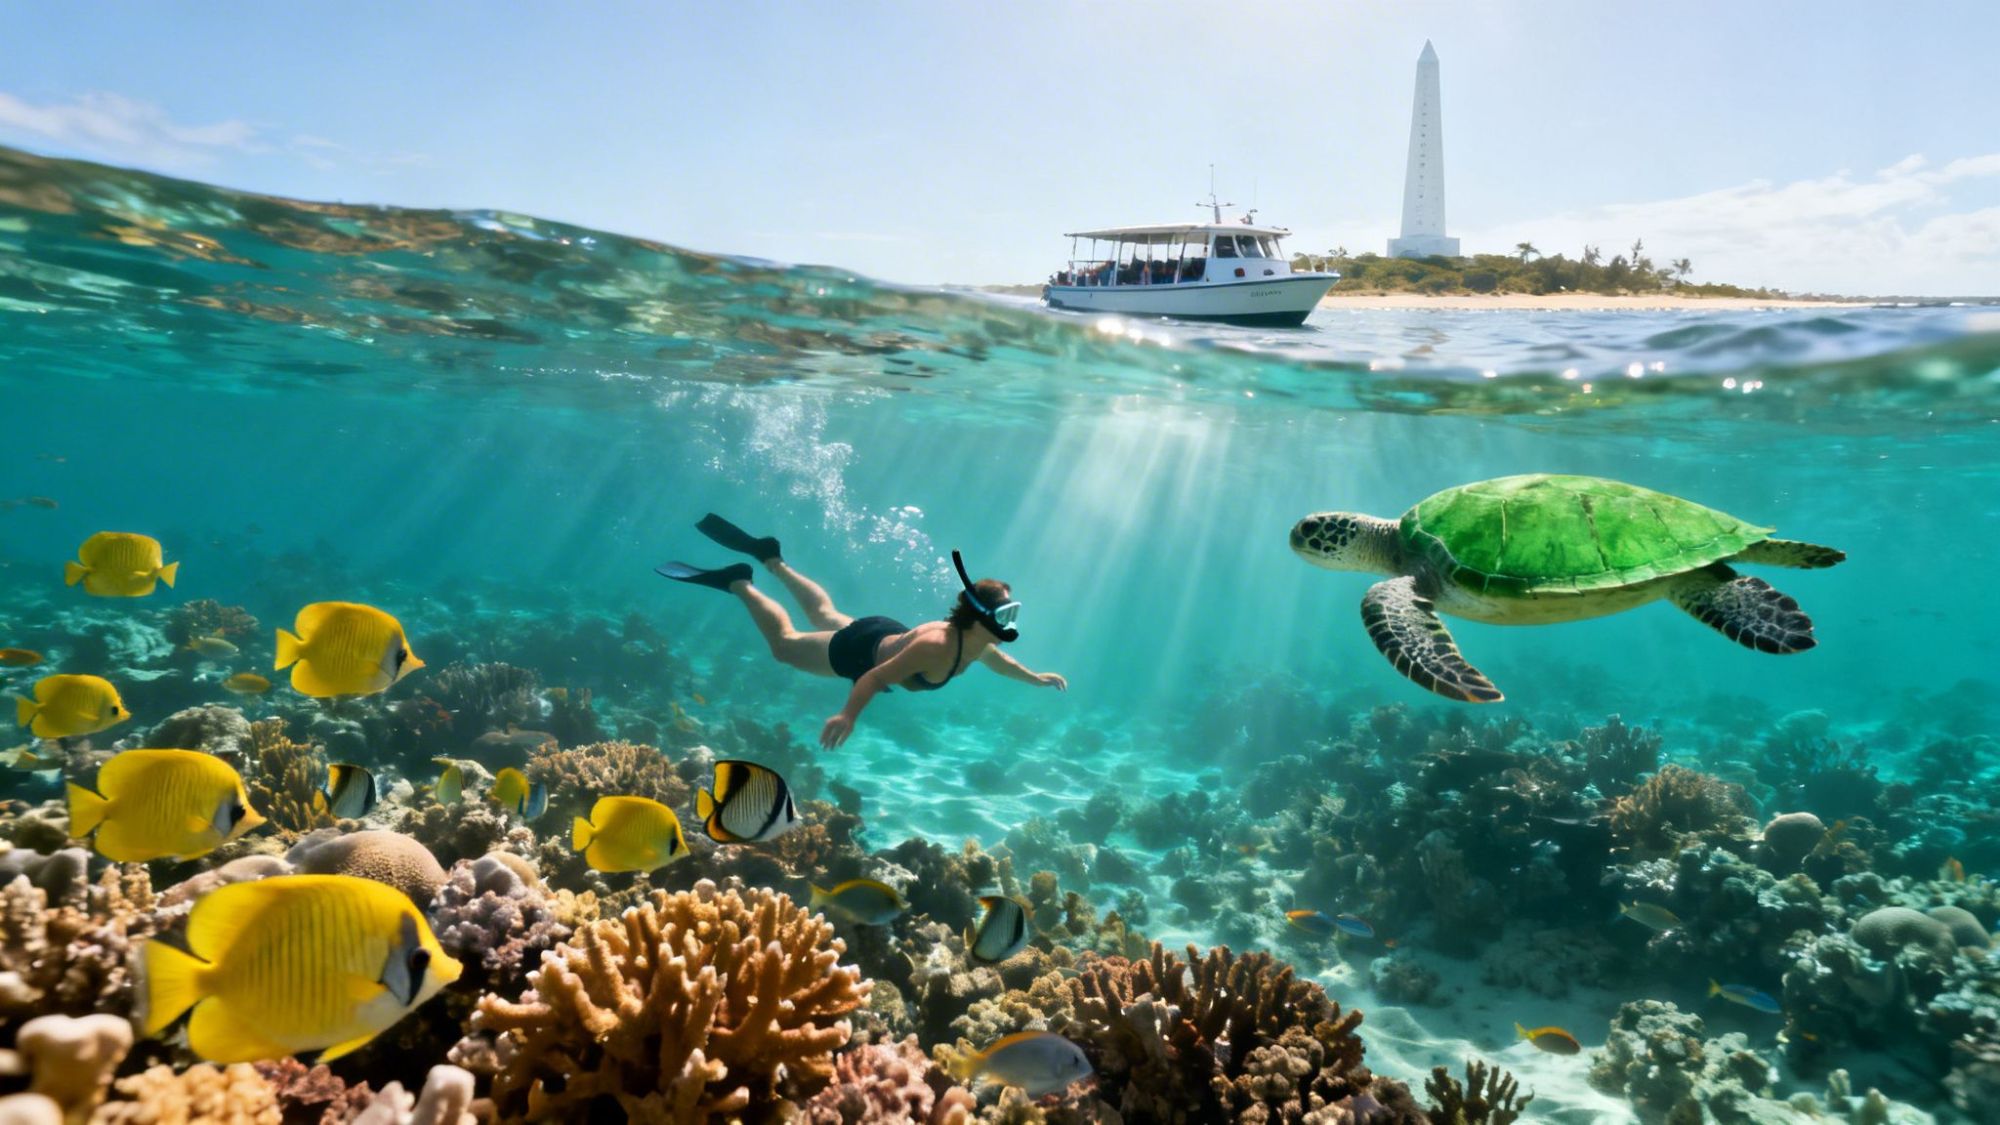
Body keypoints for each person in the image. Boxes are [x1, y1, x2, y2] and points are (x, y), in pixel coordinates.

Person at [658, 515, 1066, 749]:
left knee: (824, 613)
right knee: (784, 646)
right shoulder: (936, 648)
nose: (1011, 623)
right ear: (979, 617)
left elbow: (1001, 662)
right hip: (858, 653)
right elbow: (874, 677)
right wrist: (848, 715)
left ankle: (773, 559)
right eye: (1006, 614)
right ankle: (739, 582)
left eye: (1013, 613)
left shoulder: (976, 643)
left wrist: (1035, 678)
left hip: (882, 632)